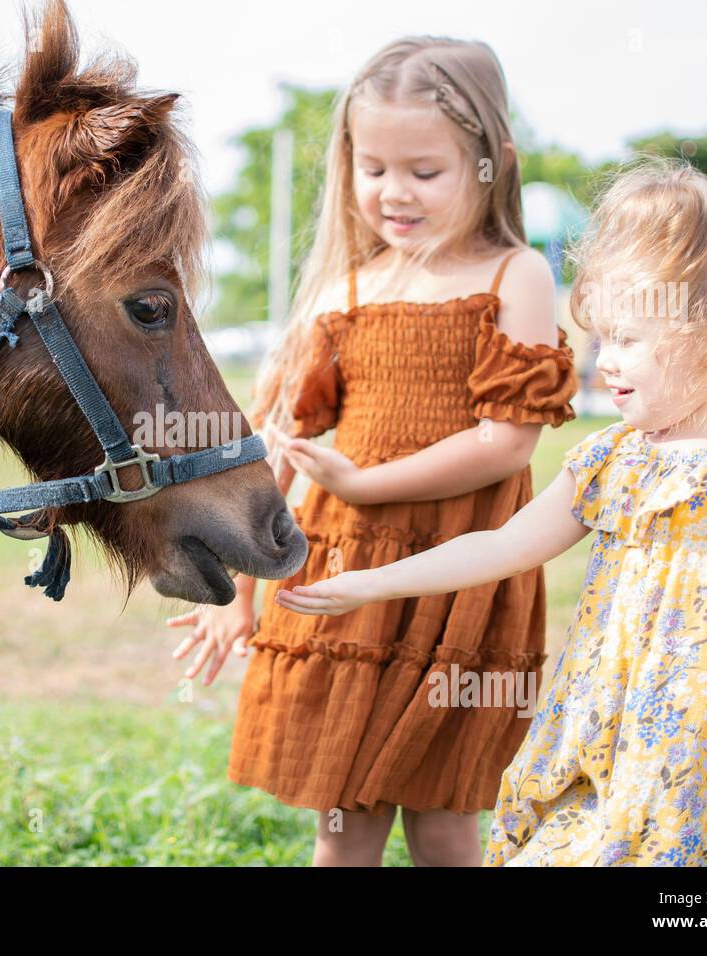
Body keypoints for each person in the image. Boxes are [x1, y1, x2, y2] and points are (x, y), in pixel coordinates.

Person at [277, 158, 707, 866]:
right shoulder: (611, 460)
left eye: (628, 341)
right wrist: (368, 582)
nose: (604, 362)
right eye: (602, 339)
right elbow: (503, 546)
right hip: (600, 737)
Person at [168, 36, 579, 866]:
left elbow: (506, 445)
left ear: (491, 163)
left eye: (425, 172)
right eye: (373, 168)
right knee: (343, 820)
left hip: (459, 576)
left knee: (442, 821)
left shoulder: (515, 276)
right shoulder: (345, 288)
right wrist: (238, 594)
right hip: (338, 575)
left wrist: (367, 479)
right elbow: (279, 453)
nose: (395, 193)